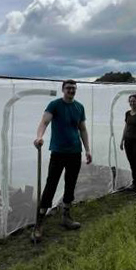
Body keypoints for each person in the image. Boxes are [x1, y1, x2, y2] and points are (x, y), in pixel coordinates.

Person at [32, 79, 92, 242]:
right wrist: (39, 137)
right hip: (58, 152)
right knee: (51, 184)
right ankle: (39, 222)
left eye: (73, 88)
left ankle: (66, 217)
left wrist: (87, 150)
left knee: (70, 184)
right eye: (68, 88)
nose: (71, 90)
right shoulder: (55, 105)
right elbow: (44, 122)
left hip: (75, 152)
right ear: (63, 89)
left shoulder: (79, 107)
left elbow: (83, 129)